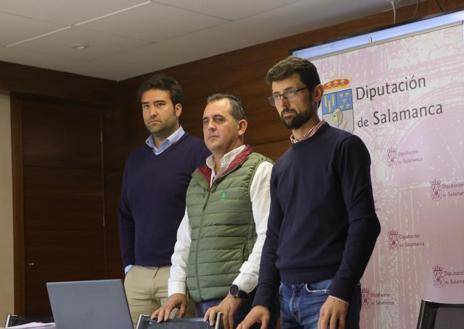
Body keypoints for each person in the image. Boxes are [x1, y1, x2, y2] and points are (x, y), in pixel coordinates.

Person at [238, 56, 381, 329]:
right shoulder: (281, 167)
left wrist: (341, 290)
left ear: (317, 93)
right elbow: (274, 238)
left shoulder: (345, 147)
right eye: (277, 96)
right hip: (286, 296)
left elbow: (365, 224)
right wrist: (263, 299)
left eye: (291, 92)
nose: (283, 103)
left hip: (326, 293)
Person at [152, 94, 274, 329]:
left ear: (241, 127)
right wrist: (176, 290)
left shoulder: (261, 169)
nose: (210, 127)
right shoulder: (198, 178)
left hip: (241, 303)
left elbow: (268, 239)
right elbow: (184, 242)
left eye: (219, 119)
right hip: (202, 304)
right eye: (206, 121)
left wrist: (236, 293)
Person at [118, 73, 210, 325]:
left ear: (177, 108)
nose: (152, 112)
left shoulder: (199, 152)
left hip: (178, 274)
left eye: (159, 104)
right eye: (146, 106)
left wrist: (188, 270)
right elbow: (125, 215)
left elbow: (205, 214)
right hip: (137, 275)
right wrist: (129, 266)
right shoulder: (135, 159)